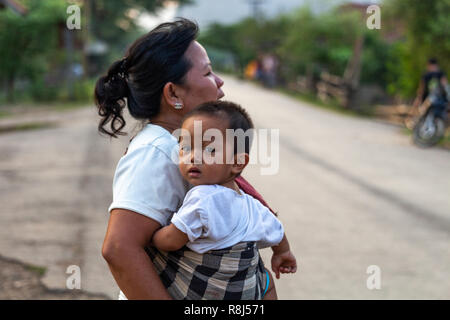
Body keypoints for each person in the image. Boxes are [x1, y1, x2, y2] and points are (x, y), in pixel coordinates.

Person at [96, 19, 282, 300]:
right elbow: (119, 249)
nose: (219, 82)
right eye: (208, 72)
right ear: (173, 93)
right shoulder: (155, 151)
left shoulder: (182, 146)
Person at [151, 101, 297, 300]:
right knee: (267, 284)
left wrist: (151, 237)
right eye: (185, 147)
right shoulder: (253, 206)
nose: (194, 157)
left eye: (210, 150)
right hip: (243, 294)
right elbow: (277, 232)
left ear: (237, 162)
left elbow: (171, 241)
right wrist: (282, 253)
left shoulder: (202, 199)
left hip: (205, 293)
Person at [407, 58, 449, 128]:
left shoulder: (437, 74)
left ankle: (413, 120)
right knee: (421, 105)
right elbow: (445, 85)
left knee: (422, 105)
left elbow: (445, 85)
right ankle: (413, 120)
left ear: (429, 65)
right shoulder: (430, 74)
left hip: (435, 98)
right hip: (430, 98)